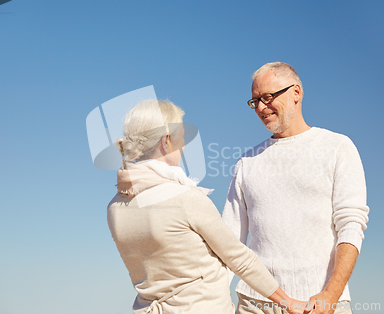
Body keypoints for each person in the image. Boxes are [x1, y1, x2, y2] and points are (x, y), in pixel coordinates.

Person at [107, 100, 307, 314]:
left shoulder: (115, 208)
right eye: (181, 136)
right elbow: (240, 259)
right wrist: (288, 302)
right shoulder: (185, 199)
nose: (183, 146)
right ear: (166, 141)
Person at [222, 62, 370, 314]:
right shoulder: (247, 163)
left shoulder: (337, 147)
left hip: (323, 303)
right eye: (254, 101)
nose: (260, 107)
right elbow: (229, 240)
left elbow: (351, 225)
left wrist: (331, 295)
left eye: (267, 97)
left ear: (296, 93)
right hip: (254, 305)